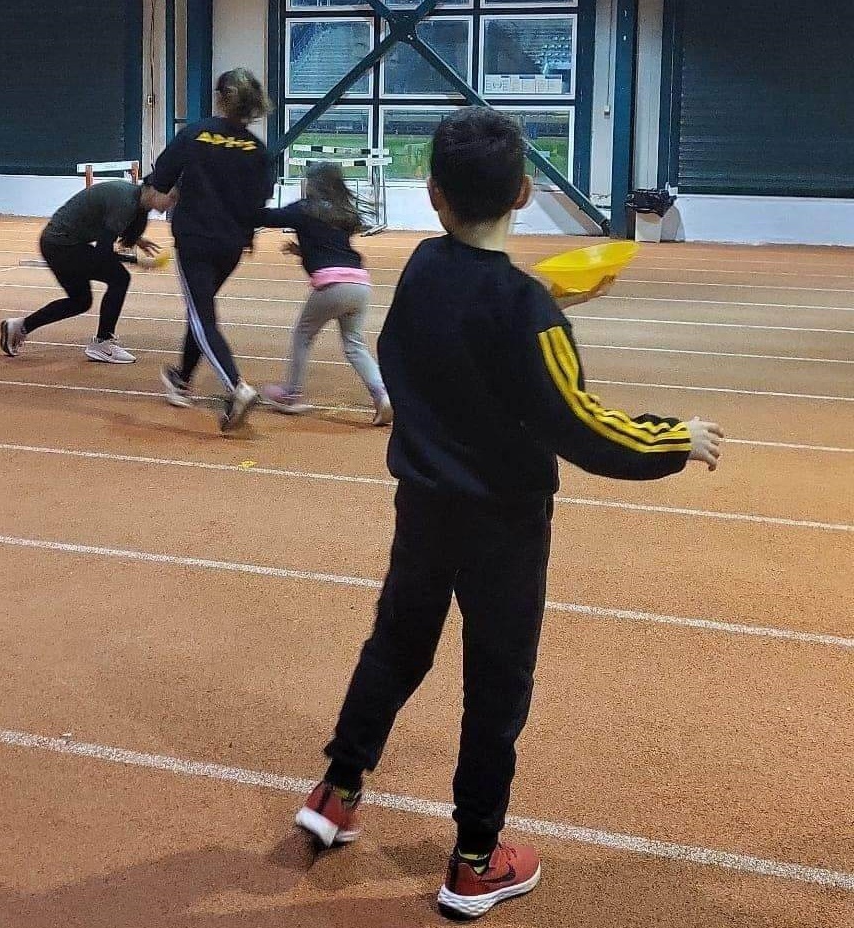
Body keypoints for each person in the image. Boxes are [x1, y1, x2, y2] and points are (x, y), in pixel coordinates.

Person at [294, 108, 724, 920]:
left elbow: (438, 338)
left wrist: (541, 300)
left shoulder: (423, 268)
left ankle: (339, 788)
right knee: (496, 686)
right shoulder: (529, 312)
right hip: (503, 529)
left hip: (423, 509)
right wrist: (677, 437)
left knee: (396, 646)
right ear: (524, 192)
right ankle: (474, 861)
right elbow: (582, 426)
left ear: (434, 195)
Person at [148, 67, 275, 432]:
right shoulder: (258, 150)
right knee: (200, 310)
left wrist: (163, 195)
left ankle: (236, 386)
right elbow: (259, 203)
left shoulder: (195, 134)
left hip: (196, 239)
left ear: (220, 98)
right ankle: (182, 379)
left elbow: (161, 180)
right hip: (232, 245)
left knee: (202, 316)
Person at [257, 162, 392, 426]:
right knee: (354, 344)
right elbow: (329, 244)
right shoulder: (343, 212)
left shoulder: (304, 208)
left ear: (314, 184)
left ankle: (291, 394)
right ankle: (381, 394)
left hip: (332, 285)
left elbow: (266, 218)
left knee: (303, 335)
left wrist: (237, 200)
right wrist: (301, 250)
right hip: (359, 284)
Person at [0, 180, 171, 362]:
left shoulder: (133, 198)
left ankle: (21, 326)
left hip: (59, 244)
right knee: (119, 278)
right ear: (155, 189)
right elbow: (102, 253)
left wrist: (137, 240)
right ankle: (103, 343)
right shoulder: (126, 202)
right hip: (62, 247)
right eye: (172, 197)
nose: (172, 203)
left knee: (80, 301)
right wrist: (137, 261)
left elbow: (105, 224)